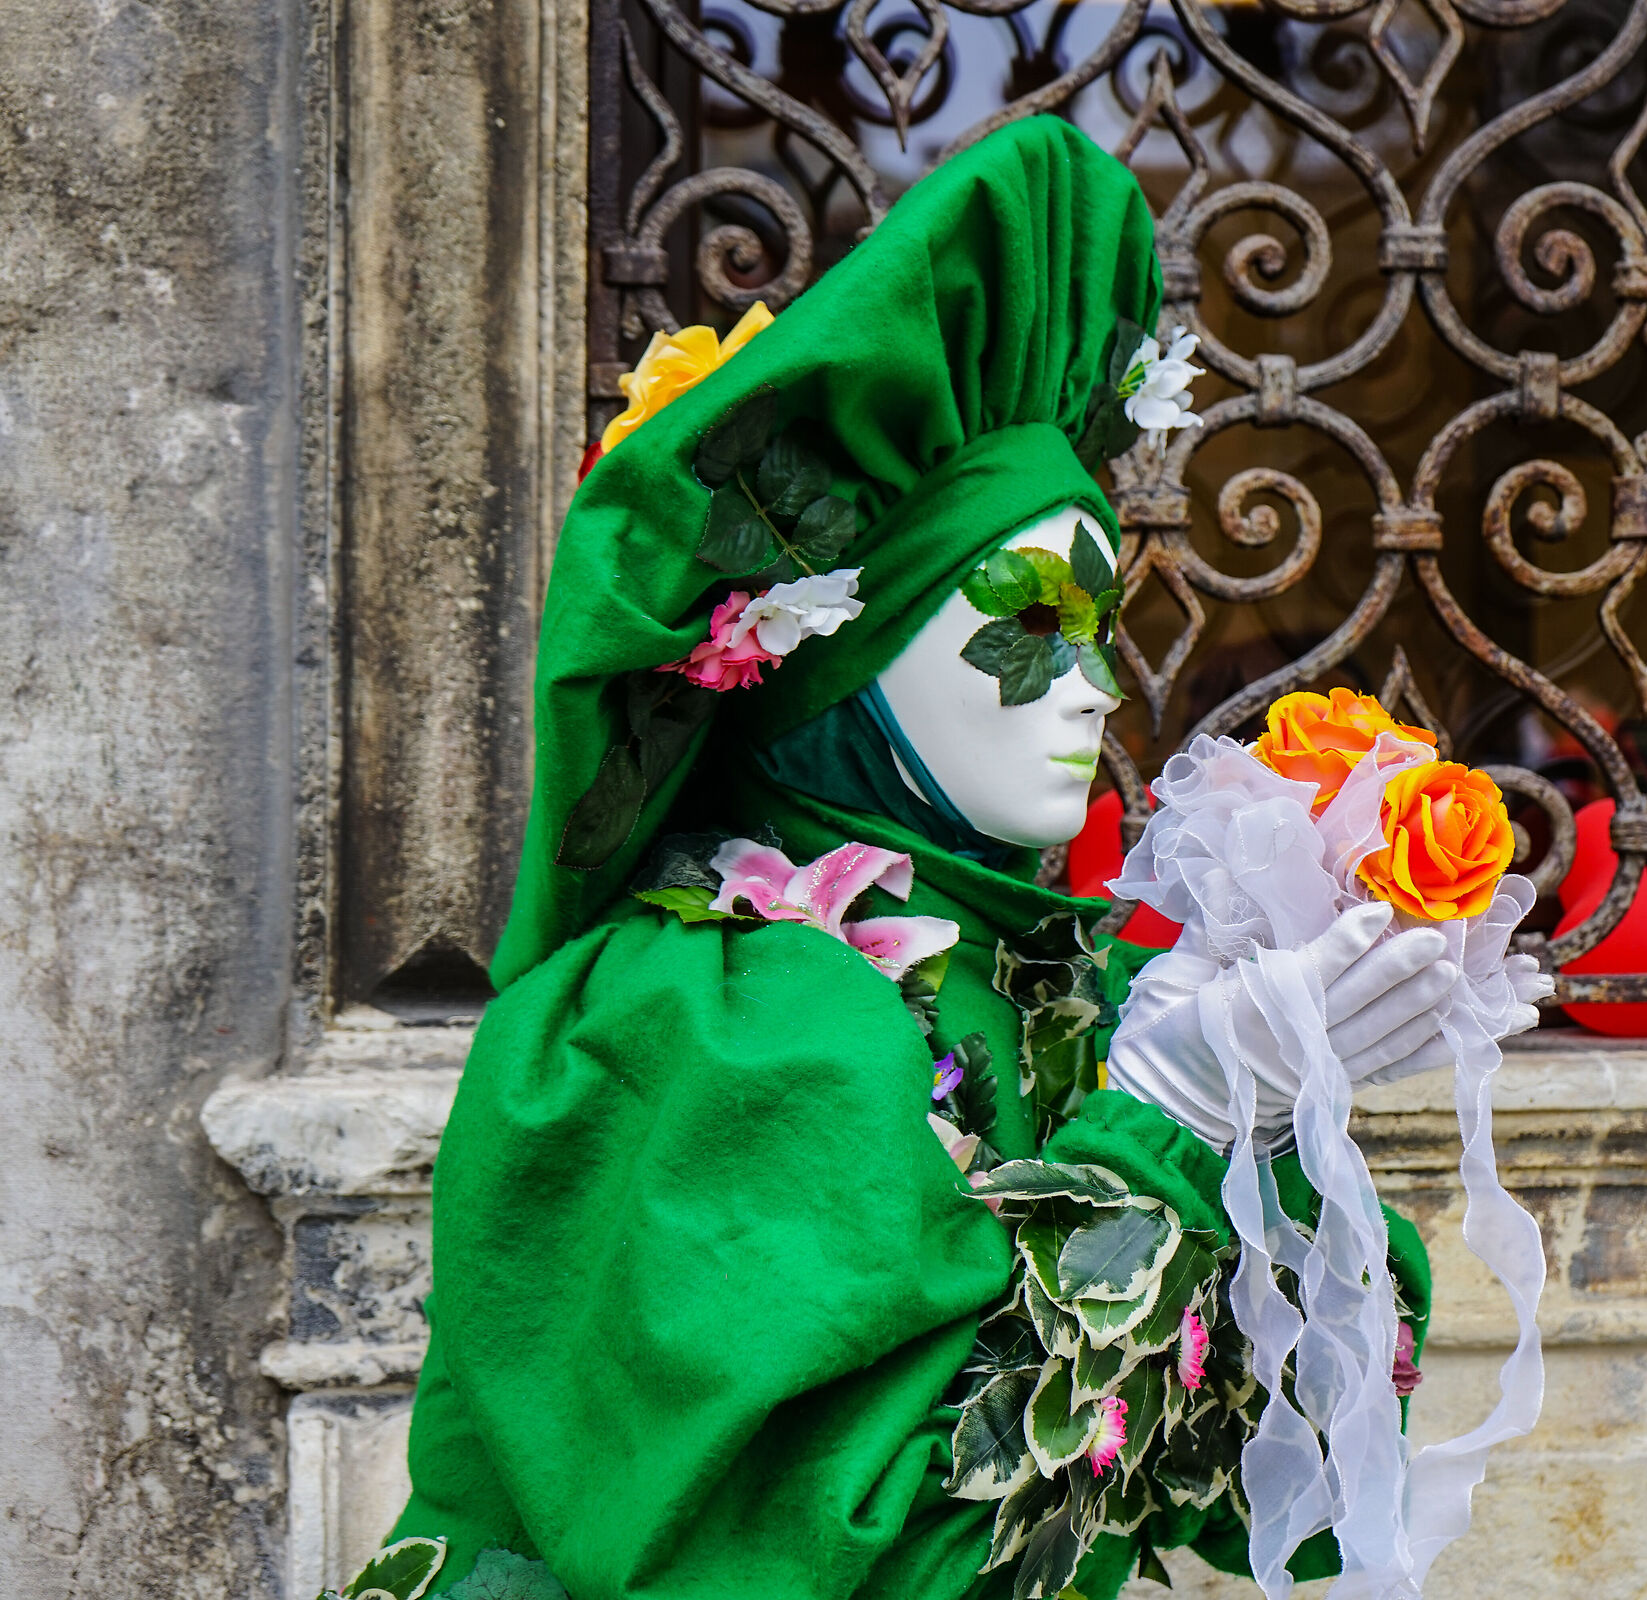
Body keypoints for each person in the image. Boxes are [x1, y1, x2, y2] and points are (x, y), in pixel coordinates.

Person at [376, 118, 1462, 1600]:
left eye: (1103, 630)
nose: (1095, 690)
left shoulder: (1042, 991)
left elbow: (1280, 1499)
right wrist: (1165, 1129)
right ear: (845, 665)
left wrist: (1266, 1134)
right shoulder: (708, 1019)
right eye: (1031, 624)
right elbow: (856, 1560)